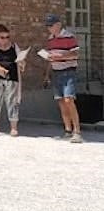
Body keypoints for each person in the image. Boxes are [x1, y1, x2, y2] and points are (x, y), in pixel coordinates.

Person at [42, 13, 82, 143]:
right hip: (56, 72)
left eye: (51, 26)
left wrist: (59, 57)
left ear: (58, 25)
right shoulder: (50, 39)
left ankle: (77, 132)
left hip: (68, 72)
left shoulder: (69, 36)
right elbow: (50, 58)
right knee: (61, 102)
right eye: (47, 26)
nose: (49, 28)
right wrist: (47, 75)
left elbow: (75, 54)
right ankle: (67, 130)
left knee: (68, 100)